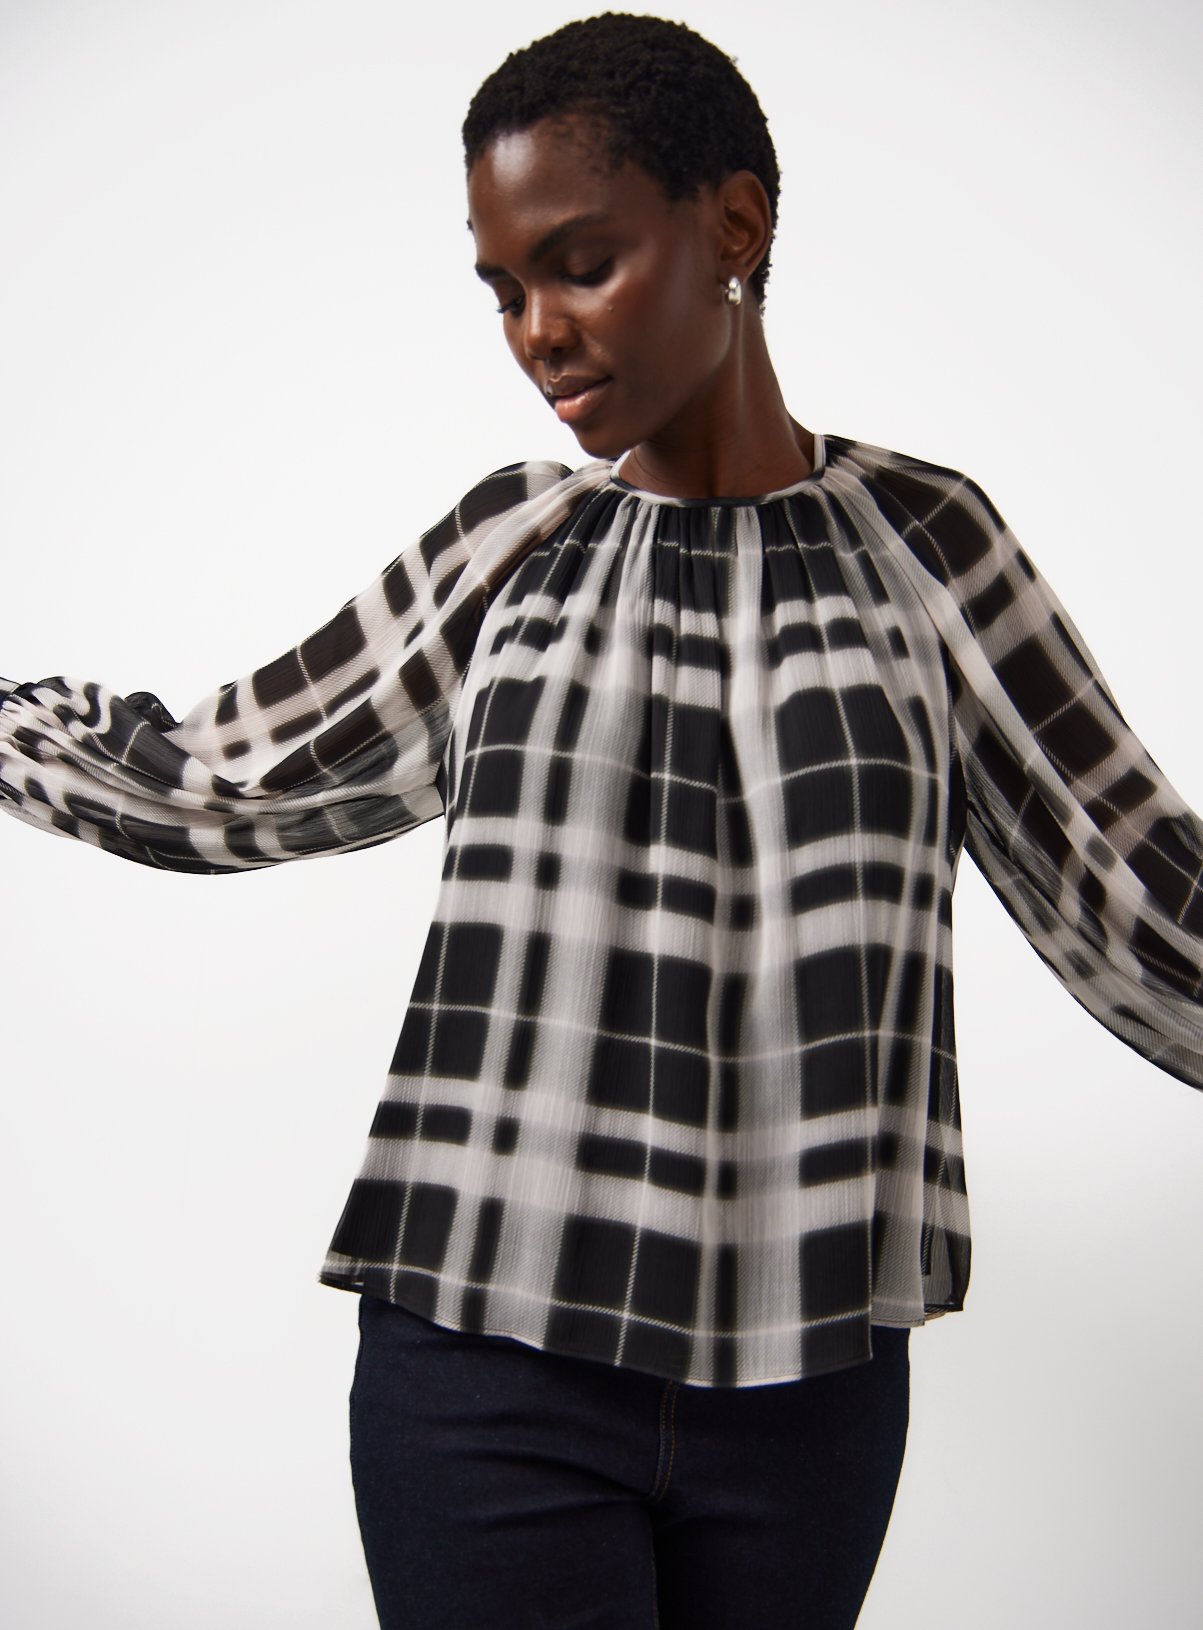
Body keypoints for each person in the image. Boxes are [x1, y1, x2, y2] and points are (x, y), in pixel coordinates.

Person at [2, 11, 1201, 1629]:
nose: (538, 333)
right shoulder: (509, 546)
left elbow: (1139, 898)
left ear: (735, 225)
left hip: (811, 1386)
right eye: (504, 290)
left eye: (579, 265)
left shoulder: (930, 545)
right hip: (486, 1365)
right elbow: (215, 775)